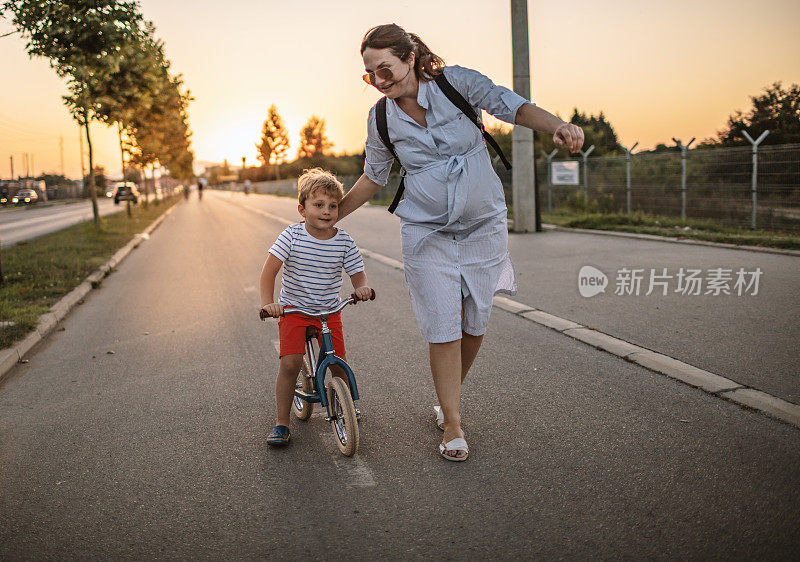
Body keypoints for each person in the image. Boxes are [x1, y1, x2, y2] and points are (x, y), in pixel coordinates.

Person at [337, 24, 585, 461]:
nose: (380, 78)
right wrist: (330, 217)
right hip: (426, 231)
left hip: (482, 224)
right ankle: (451, 420)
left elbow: (512, 106)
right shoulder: (381, 119)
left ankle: (446, 397)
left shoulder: (457, 83)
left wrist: (557, 125)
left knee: (475, 322)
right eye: (371, 73)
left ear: (410, 57)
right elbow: (374, 176)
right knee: (442, 325)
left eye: (386, 67)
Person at [259, 168, 373, 446]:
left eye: (333, 206)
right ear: (302, 209)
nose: (327, 211)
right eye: (318, 205)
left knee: (339, 364)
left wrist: (361, 287)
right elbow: (269, 271)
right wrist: (268, 304)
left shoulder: (344, 241)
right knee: (290, 364)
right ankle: (282, 423)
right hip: (294, 310)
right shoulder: (292, 236)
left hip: (328, 311)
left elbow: (357, 273)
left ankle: (347, 404)